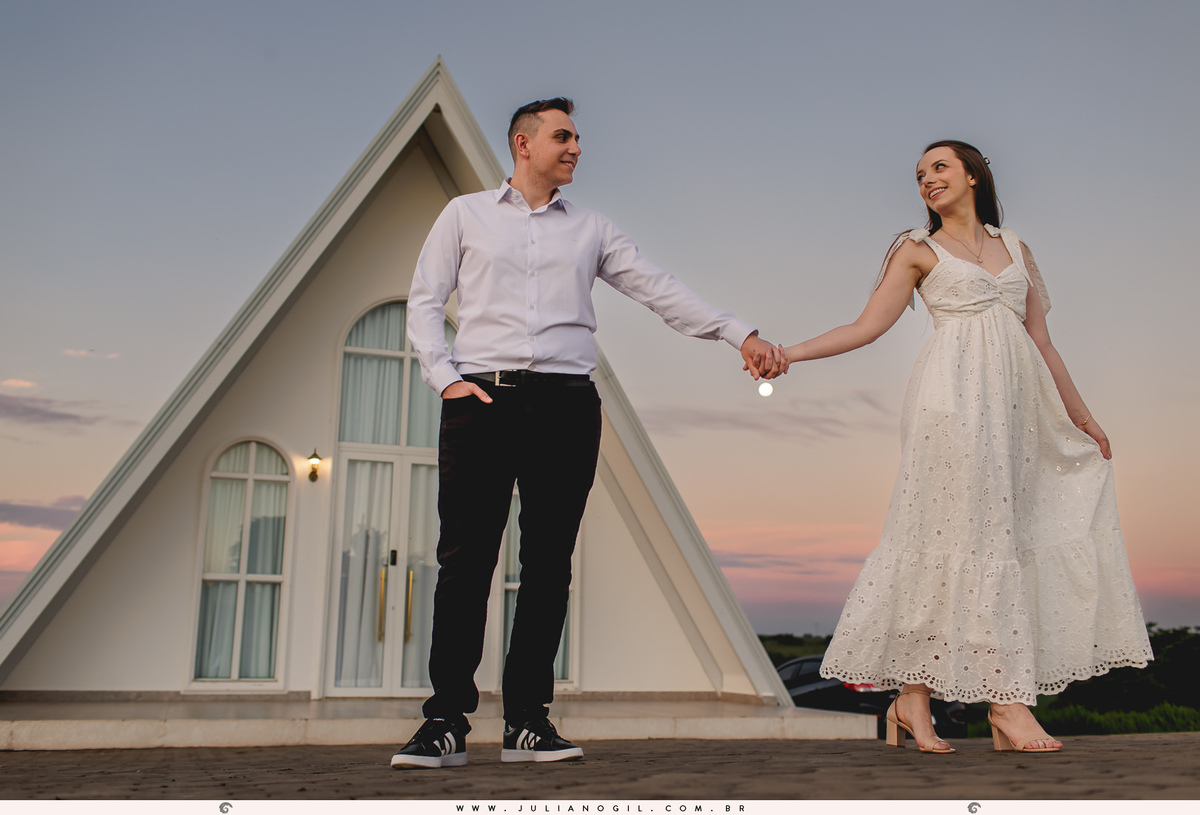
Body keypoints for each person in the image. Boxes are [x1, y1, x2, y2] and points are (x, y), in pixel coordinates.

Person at [391, 97, 786, 769]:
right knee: (466, 561)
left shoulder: (592, 230)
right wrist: (446, 378)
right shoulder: (465, 214)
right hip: (481, 401)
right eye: (563, 136)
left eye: (576, 138)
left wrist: (735, 331)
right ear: (523, 143)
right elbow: (425, 299)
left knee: (548, 566)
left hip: (567, 406)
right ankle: (445, 722)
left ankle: (527, 722)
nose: (576, 147)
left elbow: (658, 288)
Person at [778, 140, 1152, 754]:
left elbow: (1042, 341)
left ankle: (912, 698)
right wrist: (787, 354)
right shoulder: (916, 250)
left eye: (939, 167)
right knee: (954, 537)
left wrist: (1082, 417)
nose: (927, 179)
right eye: (919, 174)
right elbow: (866, 327)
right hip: (949, 405)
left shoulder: (1017, 248)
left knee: (991, 538)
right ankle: (1006, 703)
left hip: (1018, 413)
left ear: (973, 175)